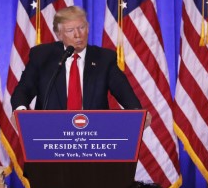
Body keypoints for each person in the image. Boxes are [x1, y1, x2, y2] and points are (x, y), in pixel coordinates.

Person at [11, 6, 141, 111]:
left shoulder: (104, 59)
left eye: (81, 28)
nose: (78, 35)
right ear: (59, 34)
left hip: (93, 133)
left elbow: (125, 93)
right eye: (70, 30)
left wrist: (137, 112)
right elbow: (24, 89)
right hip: (51, 132)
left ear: (88, 29)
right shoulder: (42, 56)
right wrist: (20, 110)